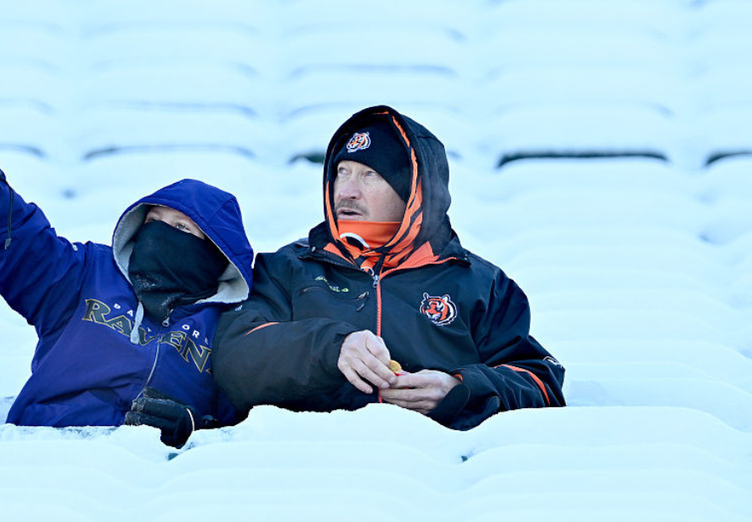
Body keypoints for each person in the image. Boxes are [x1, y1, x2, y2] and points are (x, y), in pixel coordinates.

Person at [0, 78, 254, 447]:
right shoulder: (86, 273)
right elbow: (15, 236)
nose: (161, 234)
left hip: (145, 472)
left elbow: (247, 416)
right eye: (154, 221)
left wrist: (194, 428)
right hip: (39, 450)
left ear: (215, 253)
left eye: (181, 227)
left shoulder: (227, 328)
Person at [212, 105, 565, 430]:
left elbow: (541, 381)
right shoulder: (289, 268)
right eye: (341, 172)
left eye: (369, 175)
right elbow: (234, 359)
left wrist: (458, 388)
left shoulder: (480, 284)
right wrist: (332, 348)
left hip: (430, 472)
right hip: (308, 466)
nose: (346, 191)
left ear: (414, 191)